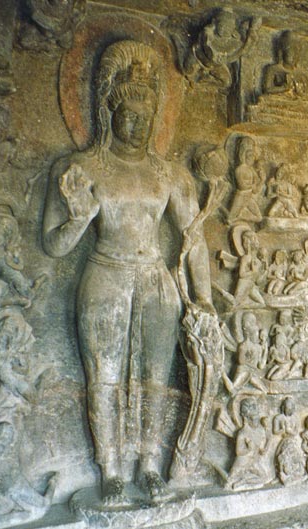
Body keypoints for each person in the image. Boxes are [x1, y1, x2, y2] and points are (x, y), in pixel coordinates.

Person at [42, 40, 213, 503]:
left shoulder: (171, 174)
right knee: (105, 377)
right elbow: (53, 245)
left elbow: (193, 238)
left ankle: (150, 465)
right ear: (106, 112)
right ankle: (111, 469)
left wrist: (205, 299)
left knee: (157, 376)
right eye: (127, 114)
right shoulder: (80, 168)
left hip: (156, 281)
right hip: (104, 276)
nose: (137, 124)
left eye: (146, 114)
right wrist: (79, 217)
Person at [0, 422, 57, 528]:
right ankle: (22, 514)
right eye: (1, 439)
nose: (2, 445)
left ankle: (53, 481)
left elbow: (16, 475)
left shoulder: (9, 460)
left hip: (20, 489)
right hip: (4, 499)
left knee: (44, 503)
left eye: (7, 440)